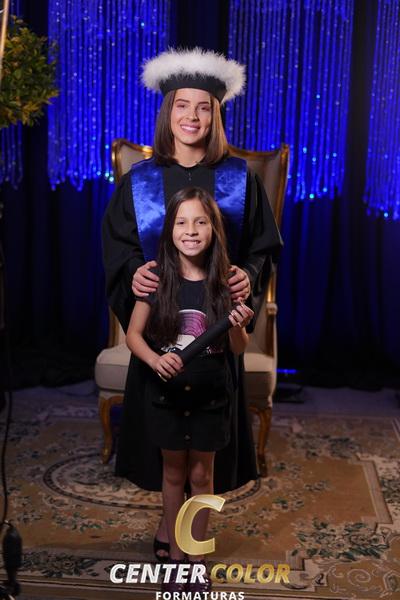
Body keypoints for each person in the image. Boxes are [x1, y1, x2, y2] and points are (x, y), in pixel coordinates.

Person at [101, 48, 283, 561]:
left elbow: (263, 248)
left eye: (204, 107)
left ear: (216, 115)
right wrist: (132, 271)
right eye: (182, 105)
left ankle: (191, 535)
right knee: (168, 454)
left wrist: (247, 277)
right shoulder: (140, 179)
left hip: (214, 337)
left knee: (203, 455)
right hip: (161, 333)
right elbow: (118, 245)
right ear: (168, 112)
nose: (193, 117)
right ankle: (169, 523)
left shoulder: (239, 178)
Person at [126, 187, 254, 592]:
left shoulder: (226, 284)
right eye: (182, 222)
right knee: (173, 473)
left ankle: (196, 556)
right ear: (169, 230)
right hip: (166, 397)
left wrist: (238, 326)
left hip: (210, 398)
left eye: (201, 222)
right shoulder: (157, 280)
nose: (191, 230)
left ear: (214, 230)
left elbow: (238, 349)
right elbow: (133, 335)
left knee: (202, 475)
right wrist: (154, 360)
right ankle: (177, 556)